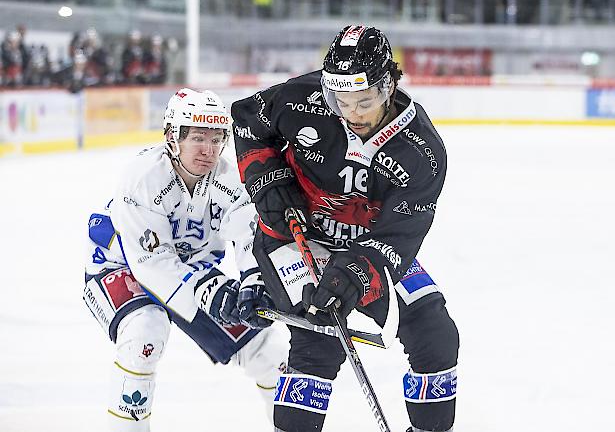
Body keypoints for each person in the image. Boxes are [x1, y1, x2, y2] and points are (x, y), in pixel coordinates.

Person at [232, 25, 459, 432]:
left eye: (364, 101)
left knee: (434, 333)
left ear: (388, 85)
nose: (352, 114)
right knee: (318, 336)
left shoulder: (423, 153)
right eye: (341, 102)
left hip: (369, 248)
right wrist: (266, 179)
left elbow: (396, 239)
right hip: (293, 237)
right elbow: (249, 119)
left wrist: (357, 273)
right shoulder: (304, 98)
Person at [83, 88, 288, 431]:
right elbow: (150, 264)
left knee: (268, 353)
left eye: (216, 138)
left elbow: (246, 236)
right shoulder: (141, 178)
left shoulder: (230, 177)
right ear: (171, 137)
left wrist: (254, 279)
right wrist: (207, 289)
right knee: (144, 335)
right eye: (197, 137)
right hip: (121, 268)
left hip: (194, 273)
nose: (208, 150)